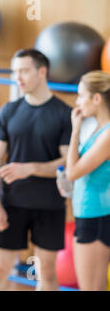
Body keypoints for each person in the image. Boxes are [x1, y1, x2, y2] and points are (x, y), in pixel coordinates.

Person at [0, 49, 72, 291]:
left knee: (48, 274)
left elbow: (66, 164)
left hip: (49, 206)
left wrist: (30, 168)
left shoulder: (64, 114)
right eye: (15, 71)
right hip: (11, 205)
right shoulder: (9, 111)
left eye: (23, 71)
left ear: (42, 72)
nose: (17, 77)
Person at [65, 70, 110, 291]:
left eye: (82, 96)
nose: (78, 102)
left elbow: (72, 172)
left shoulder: (108, 135)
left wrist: (74, 131)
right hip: (89, 214)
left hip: (97, 217)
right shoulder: (99, 131)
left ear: (97, 98)